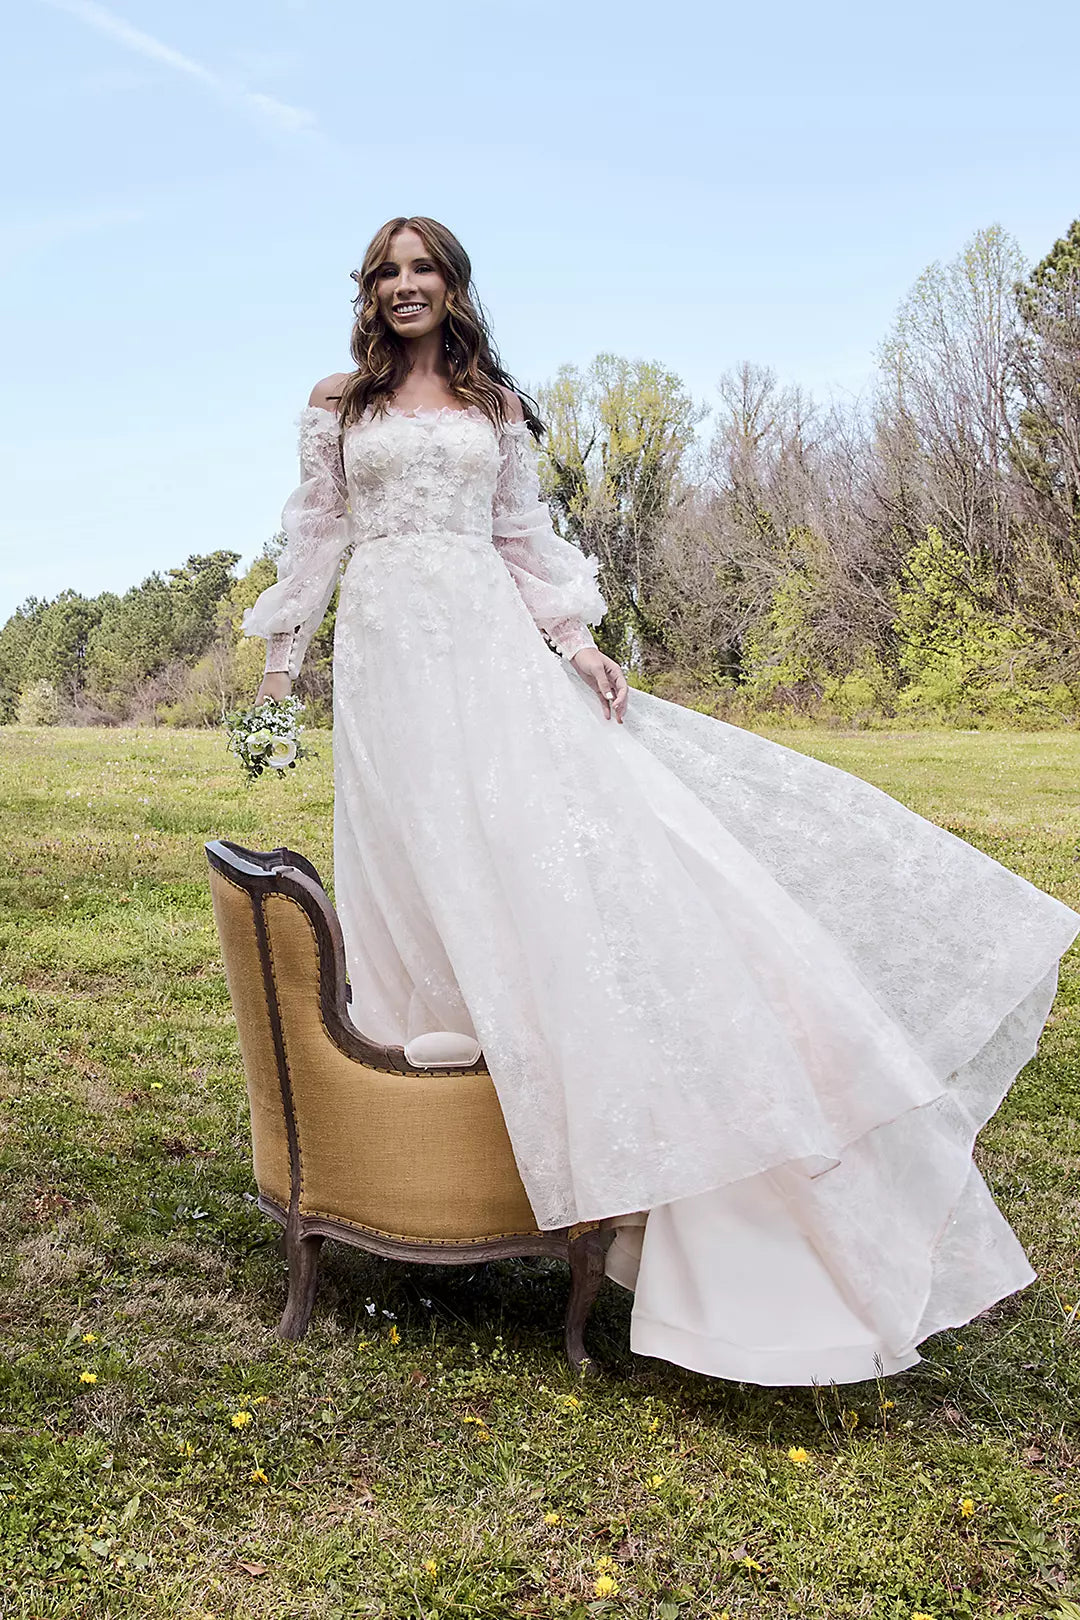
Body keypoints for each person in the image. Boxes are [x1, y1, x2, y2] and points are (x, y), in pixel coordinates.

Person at [243, 214, 1080, 1386]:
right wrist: (282, 673)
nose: (406, 288)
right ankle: (424, 1135)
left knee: (519, 851)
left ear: (454, 285)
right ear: (369, 294)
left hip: (482, 646)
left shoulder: (493, 406)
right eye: (387, 274)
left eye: (424, 269)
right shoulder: (340, 403)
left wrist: (579, 647)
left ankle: (550, 1130)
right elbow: (318, 534)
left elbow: (524, 537)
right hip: (383, 660)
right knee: (408, 859)